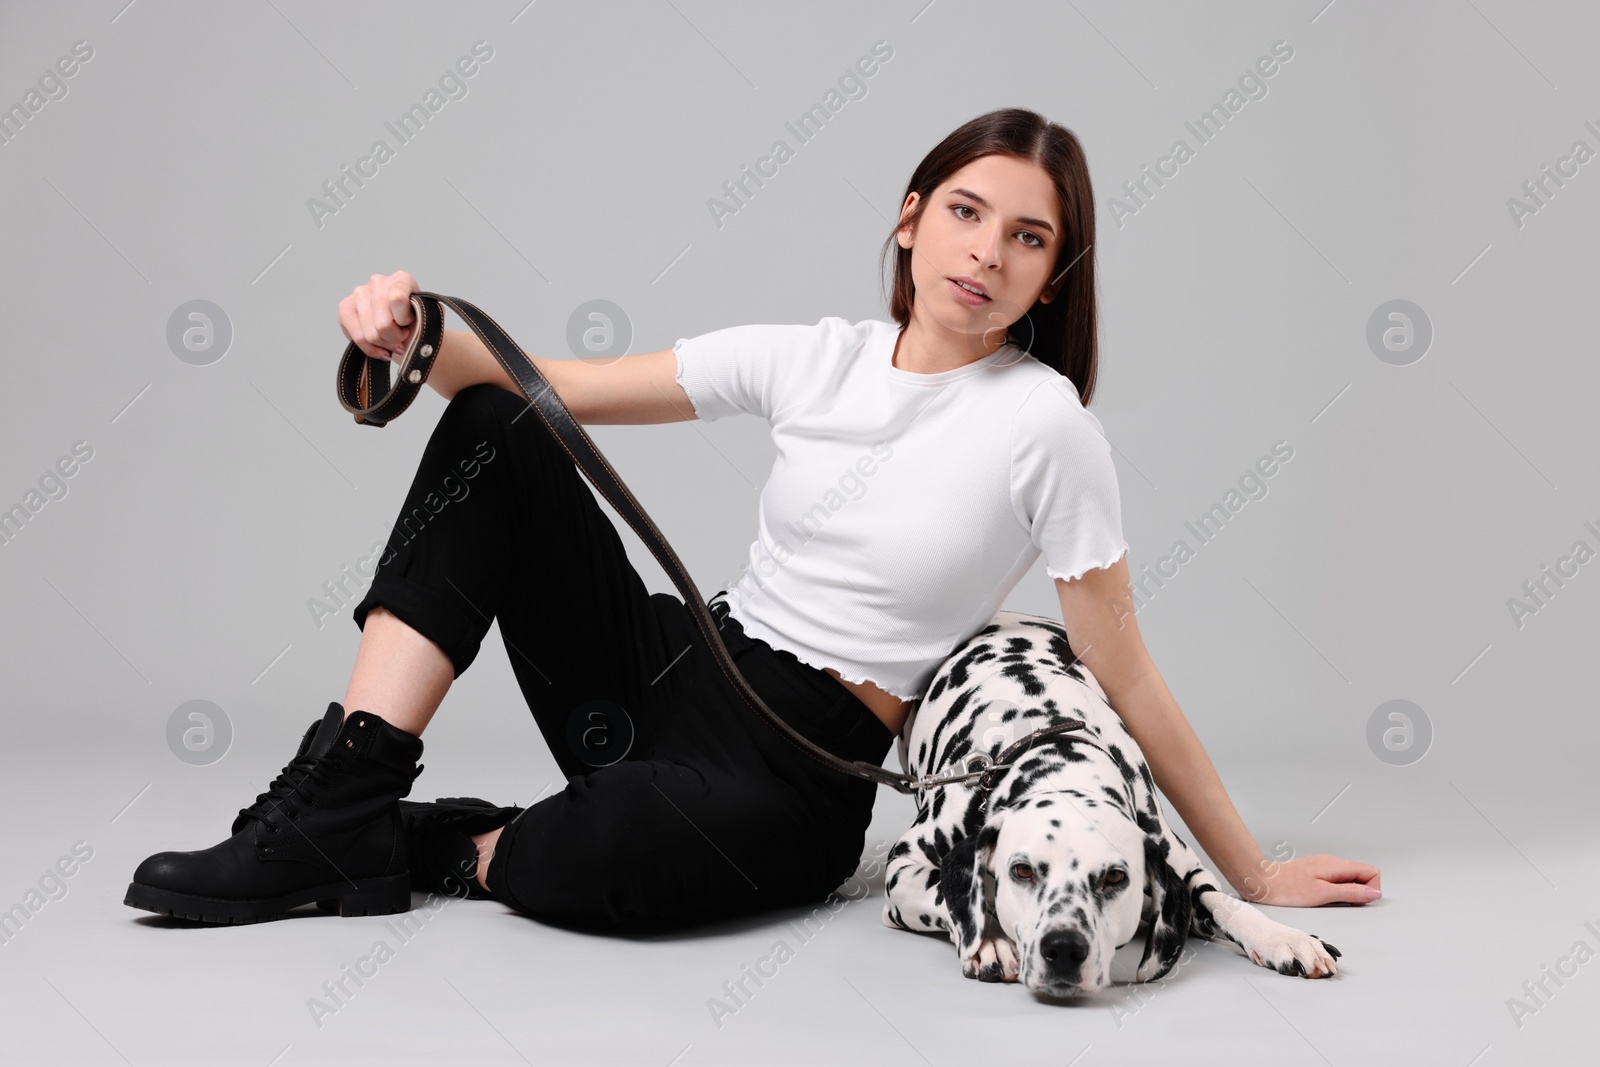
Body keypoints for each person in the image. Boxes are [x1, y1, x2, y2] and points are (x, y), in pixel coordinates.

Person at [124, 107, 1378, 938]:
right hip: (676, 667)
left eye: (1028, 237)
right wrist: (410, 331)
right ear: (908, 214)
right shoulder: (811, 356)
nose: (986, 253)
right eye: (964, 211)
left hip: (795, 768)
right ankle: (340, 800)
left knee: (607, 858)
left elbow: (1127, 674)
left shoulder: (1045, 428)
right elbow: (545, 387)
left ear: (1053, 275)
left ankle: (448, 847)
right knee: (497, 431)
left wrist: (1250, 872)